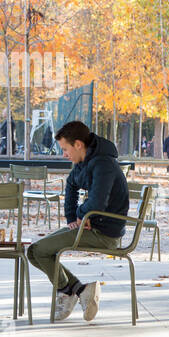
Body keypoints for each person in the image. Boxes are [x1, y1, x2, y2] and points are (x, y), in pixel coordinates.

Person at [25, 121, 128, 323]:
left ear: (78, 144)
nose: (64, 154)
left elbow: (98, 201)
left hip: (105, 234)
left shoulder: (103, 164)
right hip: (93, 225)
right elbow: (71, 185)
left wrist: (84, 215)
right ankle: (79, 290)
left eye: (65, 149)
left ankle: (70, 292)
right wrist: (74, 218)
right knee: (34, 251)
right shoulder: (85, 163)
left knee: (38, 251)